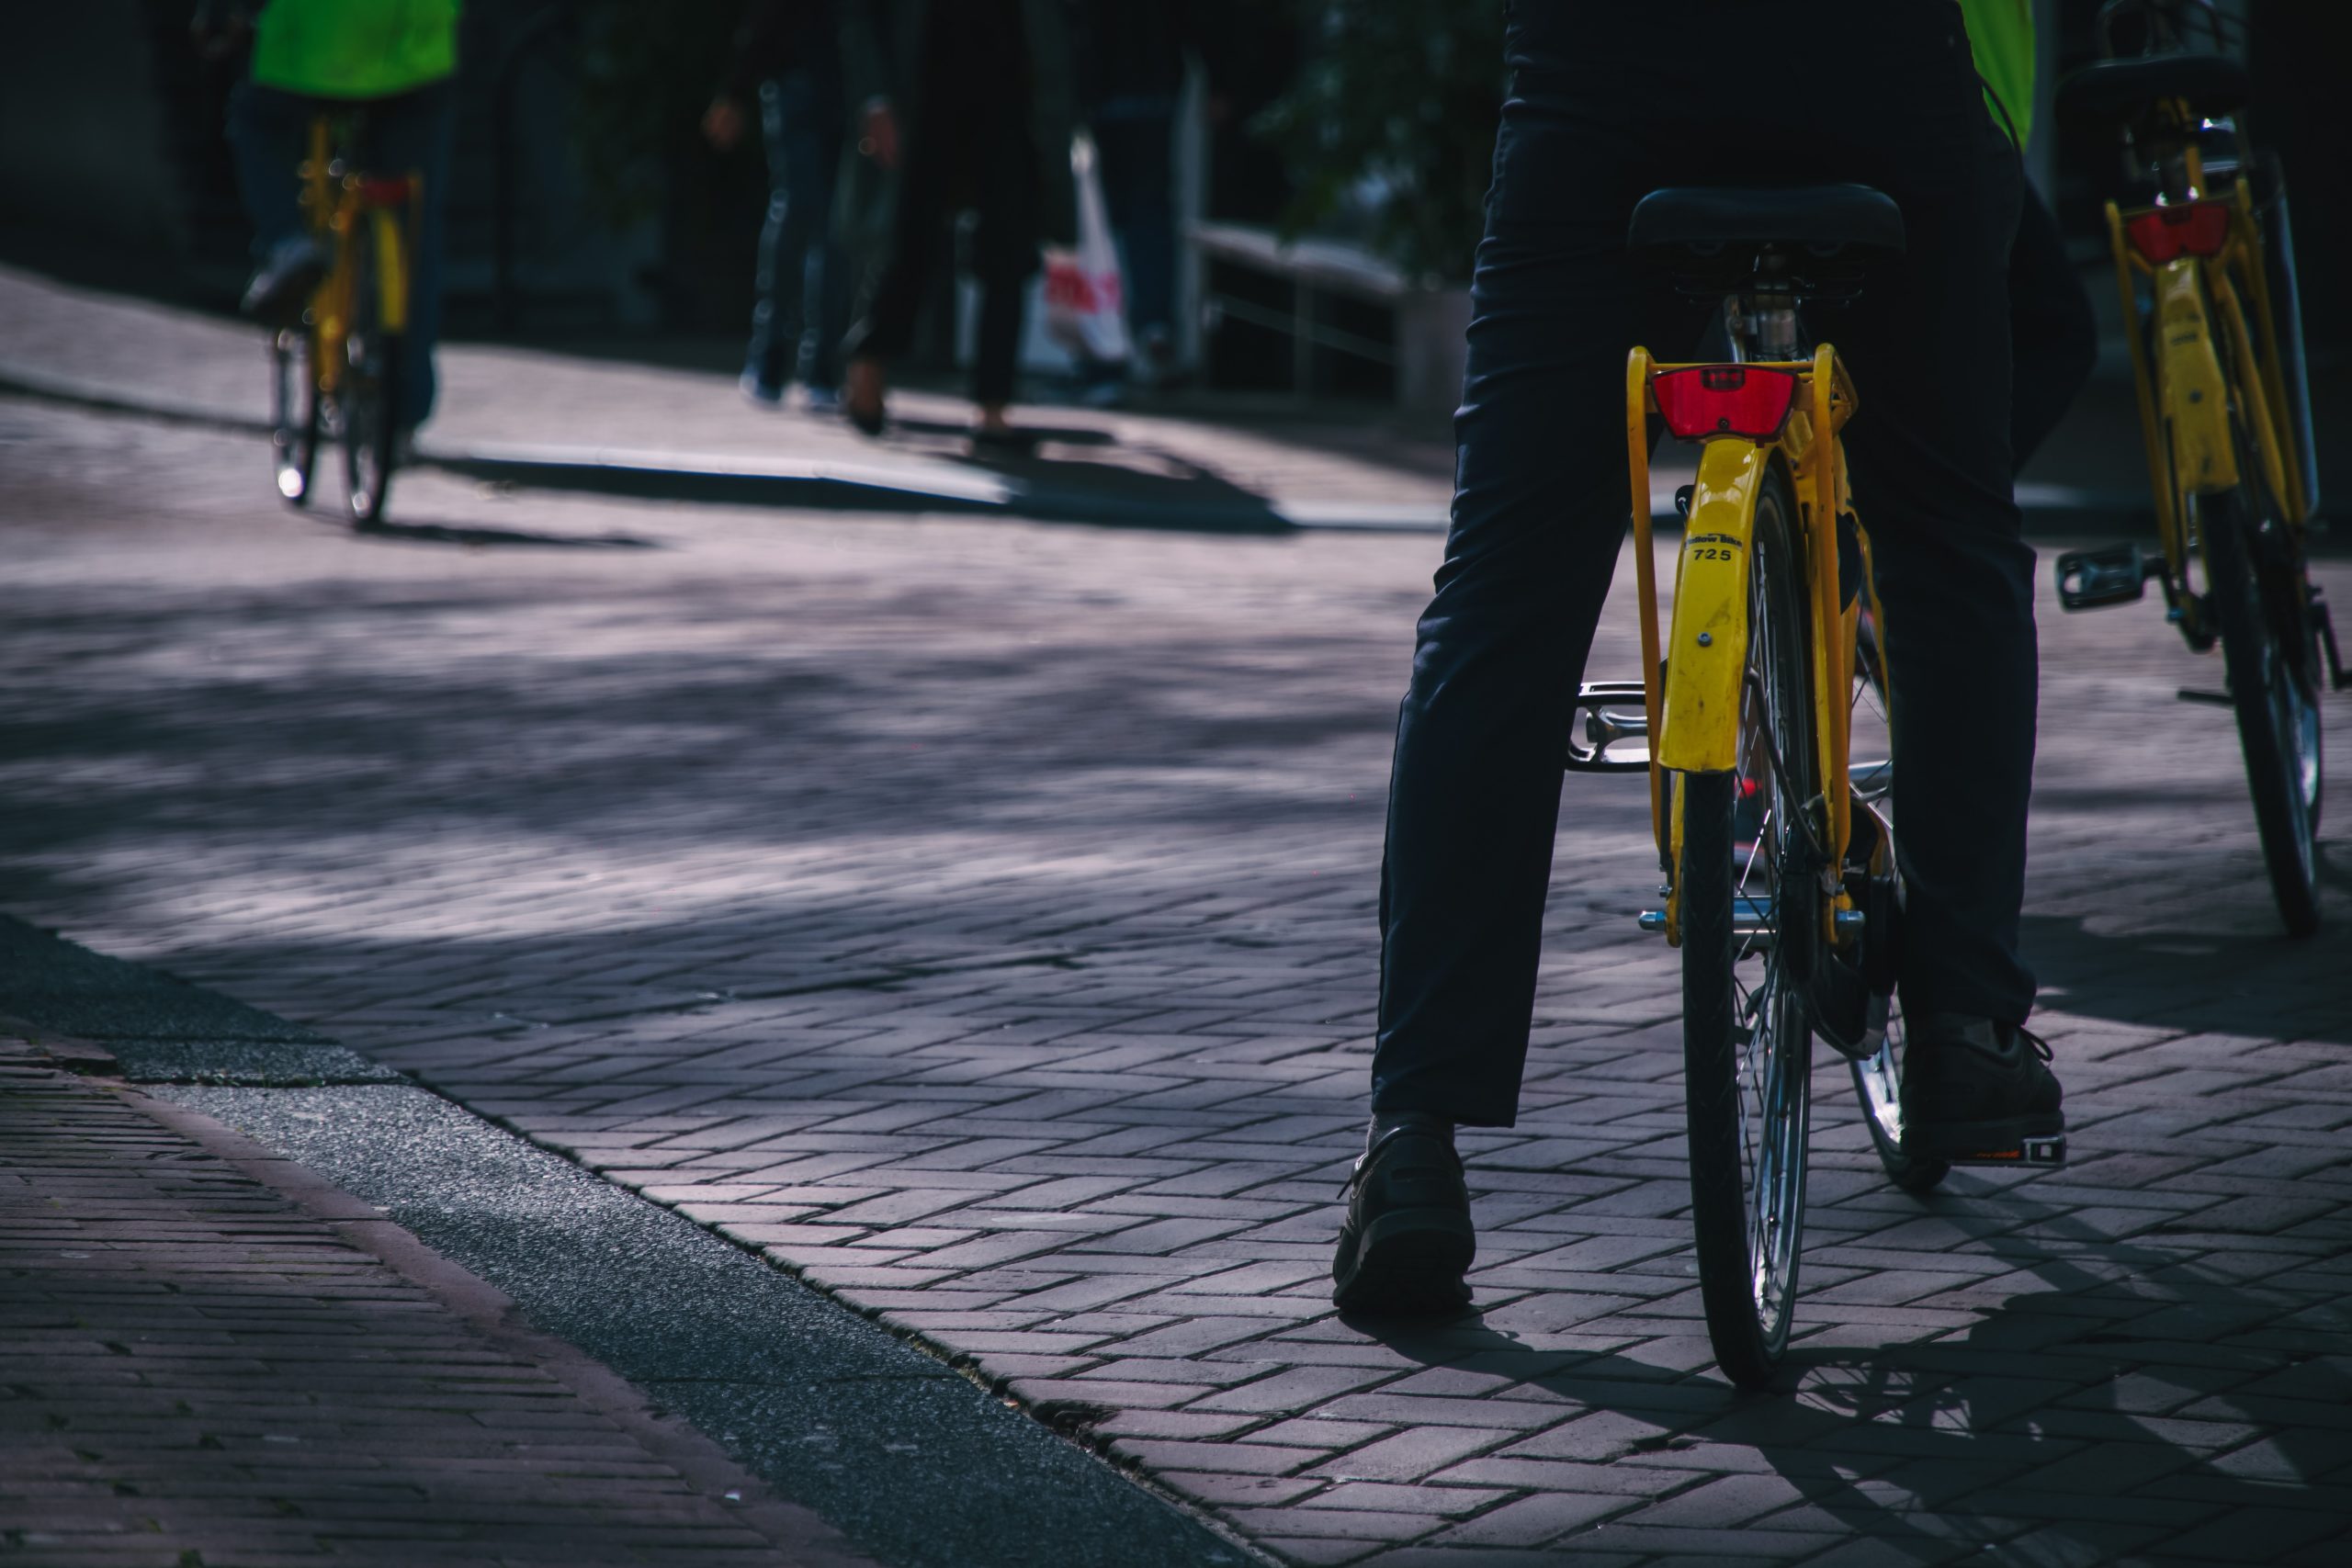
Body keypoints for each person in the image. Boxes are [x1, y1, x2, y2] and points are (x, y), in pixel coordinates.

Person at [1335, 0, 2072, 1317]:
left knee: (1503, 583)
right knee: (1949, 531)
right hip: (1878, 64)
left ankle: (1414, 1140)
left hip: (1604, 72)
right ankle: (1964, 1026)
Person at [202, 0, 459, 438]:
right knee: (412, 228)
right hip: (413, 49)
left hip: (308, 53)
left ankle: (287, 242)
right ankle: (403, 408)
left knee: (256, 122)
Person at [836, 0, 1080, 443]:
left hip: (1012, 94)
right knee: (911, 241)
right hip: (927, 86)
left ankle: (993, 404)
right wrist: (874, 99)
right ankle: (869, 358)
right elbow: (861, 16)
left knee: (1010, 249)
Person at [706, 1, 852, 412]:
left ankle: (821, 363)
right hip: (797, 76)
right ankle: (771, 354)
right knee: (801, 208)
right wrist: (735, 88)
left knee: (835, 224)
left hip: (847, 82)